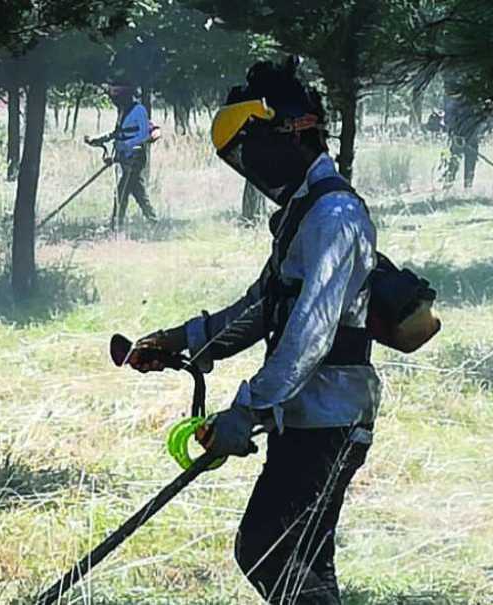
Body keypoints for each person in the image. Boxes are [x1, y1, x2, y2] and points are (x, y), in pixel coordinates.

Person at [126, 58, 380, 604]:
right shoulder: (304, 211)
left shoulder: (334, 215)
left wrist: (247, 408)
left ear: (292, 132)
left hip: (330, 418)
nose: (251, 168)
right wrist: (186, 340)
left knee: (267, 548)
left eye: (250, 150)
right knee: (305, 561)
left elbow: (310, 334)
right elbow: (264, 306)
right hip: (307, 415)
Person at [87, 84, 157, 228]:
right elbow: (117, 133)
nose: (114, 99)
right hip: (124, 157)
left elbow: (144, 134)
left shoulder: (139, 110)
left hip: (135, 158)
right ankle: (153, 222)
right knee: (137, 192)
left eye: (117, 95)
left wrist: (128, 145)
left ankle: (116, 227)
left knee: (122, 193)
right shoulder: (122, 111)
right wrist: (98, 139)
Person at [442, 74, 485, 189]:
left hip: (472, 138)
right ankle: (447, 187)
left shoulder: (473, 103)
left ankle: (468, 188)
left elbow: (480, 119)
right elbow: (449, 120)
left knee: (470, 164)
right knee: (454, 163)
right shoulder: (453, 104)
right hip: (458, 138)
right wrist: (454, 134)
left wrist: (475, 134)